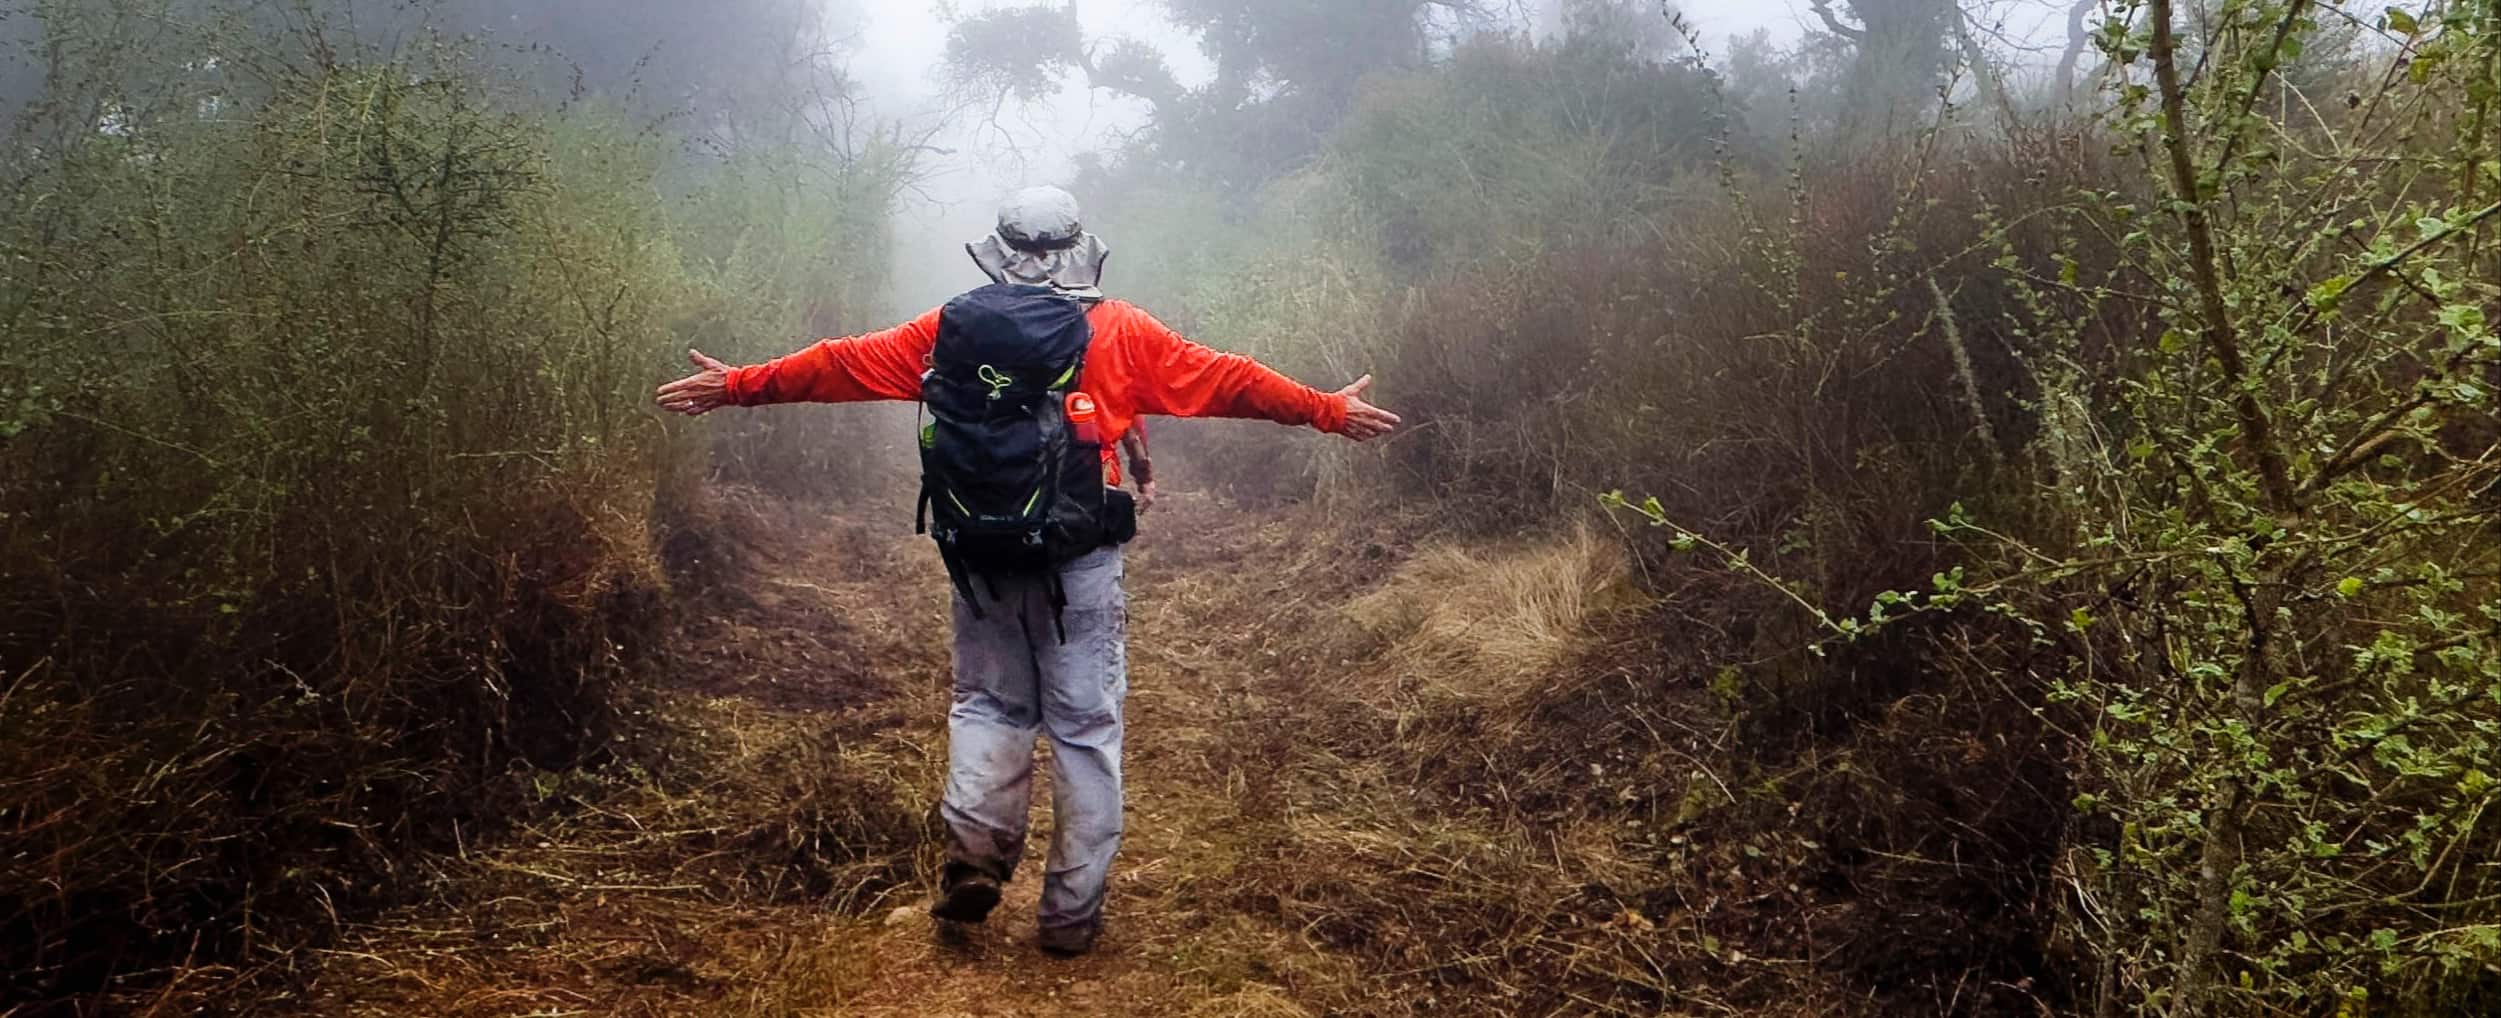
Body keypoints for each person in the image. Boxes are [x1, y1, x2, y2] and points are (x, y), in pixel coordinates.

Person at [653, 186, 1398, 956]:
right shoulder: (1117, 328)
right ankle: (1070, 919)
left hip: (977, 553)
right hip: (1080, 556)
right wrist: (1323, 409)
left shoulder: (949, 330)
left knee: (987, 707)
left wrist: (738, 384)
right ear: (1079, 246)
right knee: (1084, 727)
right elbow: (1224, 378)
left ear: (999, 248)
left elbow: (841, 363)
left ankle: (974, 861)